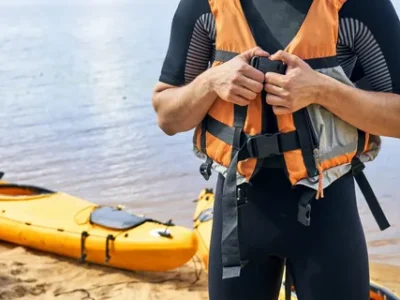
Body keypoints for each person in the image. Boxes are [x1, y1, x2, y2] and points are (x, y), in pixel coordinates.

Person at [152, 0, 400, 299]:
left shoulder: (360, 7)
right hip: (239, 215)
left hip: (327, 211)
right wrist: (210, 81)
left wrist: (322, 90)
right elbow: (168, 117)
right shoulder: (204, 6)